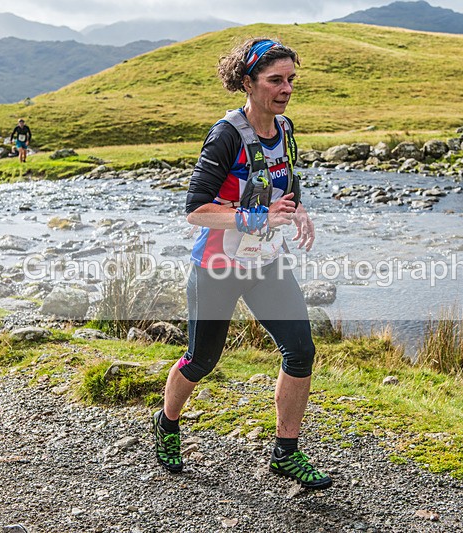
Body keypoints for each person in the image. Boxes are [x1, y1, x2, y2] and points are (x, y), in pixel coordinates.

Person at [152, 38, 331, 490]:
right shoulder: (226, 134)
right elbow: (196, 209)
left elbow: (283, 182)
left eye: (291, 79)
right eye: (276, 80)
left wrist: (298, 209)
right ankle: (167, 422)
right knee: (202, 359)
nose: (286, 88)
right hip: (217, 266)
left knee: (301, 351)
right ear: (248, 83)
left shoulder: (285, 129)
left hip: (266, 262)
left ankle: (285, 453)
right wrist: (257, 216)